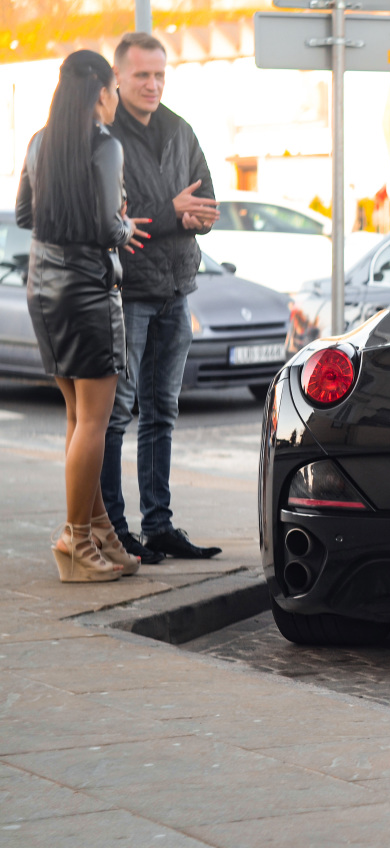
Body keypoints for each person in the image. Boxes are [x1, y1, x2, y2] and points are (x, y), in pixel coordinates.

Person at [15, 50, 149, 581]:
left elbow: (26, 214)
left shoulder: (39, 141)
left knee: (78, 418)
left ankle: (97, 530)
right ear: (99, 91)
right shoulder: (105, 145)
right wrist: (123, 228)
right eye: (114, 89)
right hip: (88, 291)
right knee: (94, 421)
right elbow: (104, 226)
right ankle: (74, 539)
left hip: (43, 289)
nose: (116, 99)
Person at [101, 32, 222, 561]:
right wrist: (173, 212)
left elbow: (207, 202)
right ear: (119, 78)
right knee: (117, 411)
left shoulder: (179, 128)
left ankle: (159, 525)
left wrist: (181, 213)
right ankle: (114, 526)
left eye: (159, 75)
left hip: (177, 288)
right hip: (129, 293)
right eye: (142, 76)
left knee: (162, 412)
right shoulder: (106, 135)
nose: (152, 85)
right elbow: (120, 219)